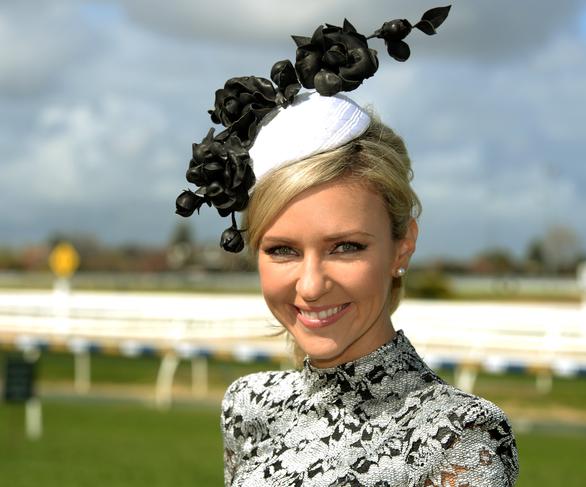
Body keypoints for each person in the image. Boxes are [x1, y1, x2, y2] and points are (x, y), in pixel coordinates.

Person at [175, 6, 519, 486]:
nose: (311, 286)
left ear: (402, 246)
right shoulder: (249, 405)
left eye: (345, 247)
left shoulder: (459, 439)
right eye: (282, 250)